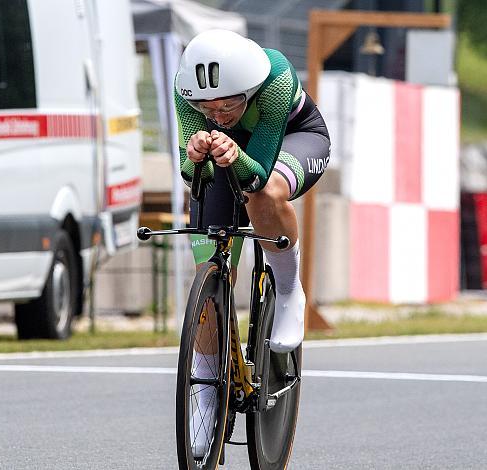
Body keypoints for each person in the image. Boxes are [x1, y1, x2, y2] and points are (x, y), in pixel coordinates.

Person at [174, 29, 330, 457]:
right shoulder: (184, 88)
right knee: (209, 255)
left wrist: (228, 150)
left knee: (266, 195)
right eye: (207, 108)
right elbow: (193, 179)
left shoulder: (275, 78)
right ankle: (205, 392)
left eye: (229, 105)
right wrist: (194, 156)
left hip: (293, 139)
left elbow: (258, 172)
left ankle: (288, 289)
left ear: (250, 89)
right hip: (234, 153)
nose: (218, 114)